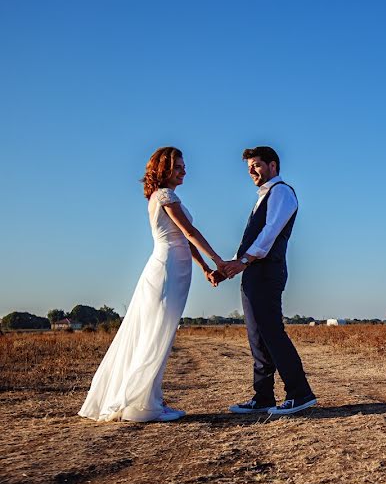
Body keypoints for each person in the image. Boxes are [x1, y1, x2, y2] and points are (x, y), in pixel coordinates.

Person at [80, 147, 225, 422]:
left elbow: (184, 239)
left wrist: (205, 267)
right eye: (179, 166)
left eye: (184, 166)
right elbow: (189, 232)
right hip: (166, 269)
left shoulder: (167, 196)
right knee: (156, 334)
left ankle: (150, 398)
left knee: (162, 334)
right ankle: (144, 404)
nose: (184, 171)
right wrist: (218, 259)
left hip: (177, 267)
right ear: (164, 169)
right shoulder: (165, 196)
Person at [217, 146, 316, 416]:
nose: (251, 170)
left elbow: (269, 233)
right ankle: (263, 396)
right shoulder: (263, 196)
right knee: (257, 336)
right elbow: (253, 238)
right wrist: (229, 265)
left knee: (272, 333)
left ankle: (300, 393)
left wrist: (244, 261)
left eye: (257, 164)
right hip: (253, 271)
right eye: (249, 166)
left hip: (266, 271)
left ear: (273, 166)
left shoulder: (282, 191)